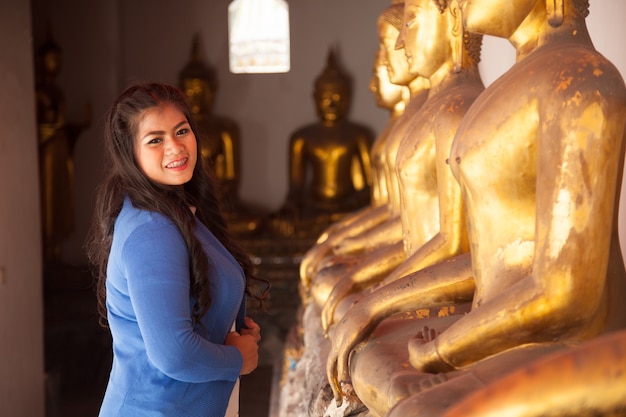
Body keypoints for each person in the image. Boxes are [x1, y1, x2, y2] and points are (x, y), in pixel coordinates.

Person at [327, 0, 626, 415]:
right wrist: (375, 303)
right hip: (497, 320)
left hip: (566, 341)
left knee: (412, 404)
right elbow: (483, 257)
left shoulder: (580, 79)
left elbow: (566, 293)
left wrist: (441, 350)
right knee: (369, 362)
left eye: (411, 21)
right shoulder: (514, 85)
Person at [86, 82, 268, 417]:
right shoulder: (151, 232)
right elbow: (174, 354)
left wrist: (230, 326)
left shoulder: (174, 210)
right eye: (155, 139)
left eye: (181, 131)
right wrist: (238, 359)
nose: (175, 147)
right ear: (130, 152)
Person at [271, 48, 375, 239]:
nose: (331, 103)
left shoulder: (358, 135)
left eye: (337, 97)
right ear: (315, 98)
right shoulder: (302, 137)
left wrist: (346, 206)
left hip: (345, 210)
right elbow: (295, 188)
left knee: (362, 221)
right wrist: (289, 209)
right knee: (278, 224)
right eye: (326, 97)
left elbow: (368, 186)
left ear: (347, 98)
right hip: (314, 210)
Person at [179, 34, 264, 236]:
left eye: (202, 91)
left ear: (213, 91)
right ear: (180, 92)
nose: (197, 97)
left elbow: (230, 178)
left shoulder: (224, 128)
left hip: (217, 201)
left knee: (251, 223)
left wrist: (207, 198)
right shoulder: (176, 128)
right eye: (191, 92)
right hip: (184, 201)